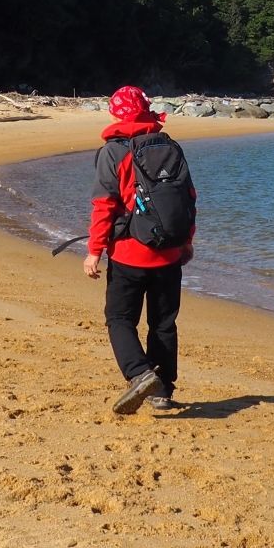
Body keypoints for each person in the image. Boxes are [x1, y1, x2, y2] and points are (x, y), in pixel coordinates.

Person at [84, 86, 196, 414]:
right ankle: (163, 391)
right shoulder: (170, 146)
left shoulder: (113, 152)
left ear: (116, 114)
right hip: (169, 255)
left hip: (128, 255)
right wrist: (186, 240)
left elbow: (104, 205)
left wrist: (95, 250)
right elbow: (188, 197)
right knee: (163, 323)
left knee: (119, 318)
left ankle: (140, 373)